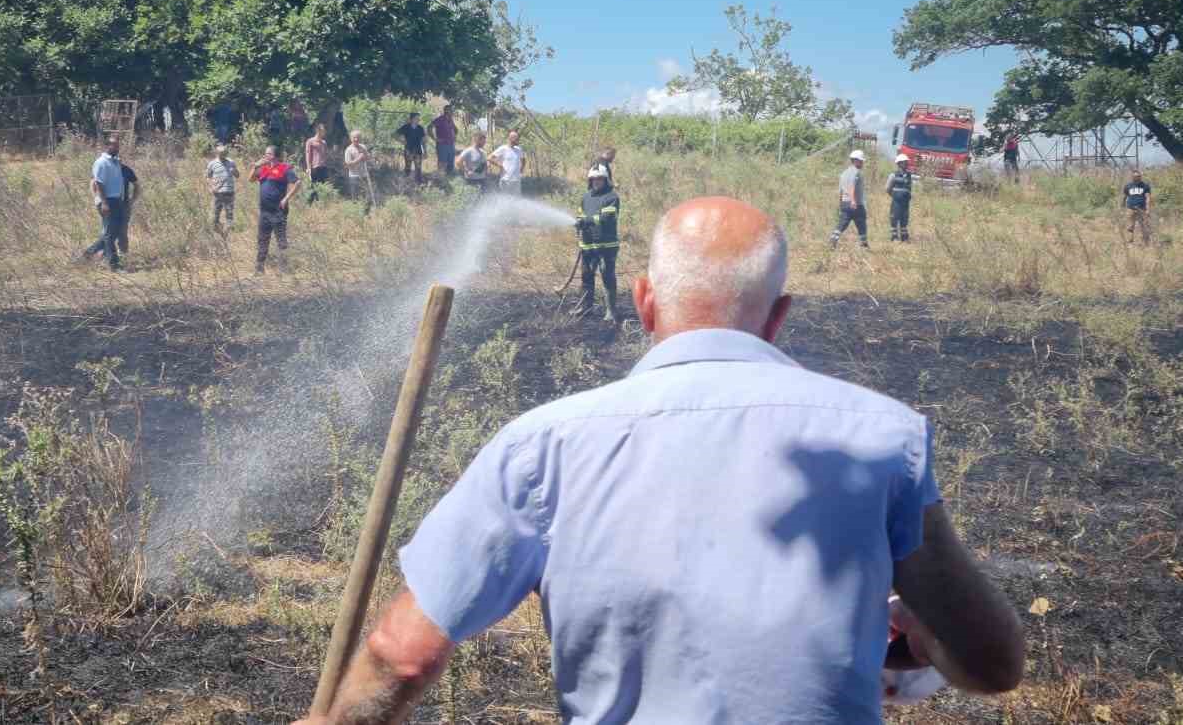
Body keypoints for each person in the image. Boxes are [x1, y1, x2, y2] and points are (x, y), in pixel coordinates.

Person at [293, 197, 1025, 725]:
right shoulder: (880, 437)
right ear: (779, 315)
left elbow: (403, 658)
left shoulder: (544, 445)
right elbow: (992, 665)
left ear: (644, 303)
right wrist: (915, 635)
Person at [575, 163, 621, 320]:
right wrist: (579, 222)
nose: (596, 182)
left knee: (607, 277)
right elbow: (581, 216)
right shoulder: (585, 197)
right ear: (589, 181)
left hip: (606, 245)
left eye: (599, 179)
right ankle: (586, 308)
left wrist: (587, 221)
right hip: (588, 245)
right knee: (586, 278)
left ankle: (611, 311)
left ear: (605, 180)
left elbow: (607, 218)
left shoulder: (611, 196)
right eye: (593, 179)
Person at [251, 145, 301, 274]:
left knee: (281, 239)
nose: (265, 156)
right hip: (264, 211)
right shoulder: (263, 169)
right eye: (265, 153)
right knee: (262, 239)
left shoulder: (284, 168)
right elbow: (250, 179)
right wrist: (255, 166)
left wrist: (286, 198)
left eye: (268, 154)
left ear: (275, 155)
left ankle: (284, 268)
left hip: (279, 210)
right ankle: (259, 269)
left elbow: (297, 182)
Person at [81, 136, 126, 271]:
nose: (117, 148)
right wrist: (104, 203)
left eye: (118, 146)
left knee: (114, 233)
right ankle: (114, 265)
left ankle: (87, 255)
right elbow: (98, 183)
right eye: (114, 146)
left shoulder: (116, 162)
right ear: (107, 146)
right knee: (109, 234)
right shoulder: (100, 162)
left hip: (117, 200)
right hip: (107, 201)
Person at [830, 148, 870, 248]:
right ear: (855, 160)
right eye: (861, 161)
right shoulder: (856, 173)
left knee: (842, 223)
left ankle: (833, 239)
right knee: (861, 223)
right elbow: (851, 186)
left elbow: (841, 191)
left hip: (844, 203)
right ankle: (864, 244)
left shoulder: (844, 173)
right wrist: (853, 201)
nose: (862, 163)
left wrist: (840, 204)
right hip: (855, 203)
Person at [884, 153, 914, 243]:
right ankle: (894, 237)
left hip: (905, 202)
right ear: (899, 163)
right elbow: (887, 188)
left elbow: (909, 188)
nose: (907, 164)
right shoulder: (893, 175)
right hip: (896, 202)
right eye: (905, 162)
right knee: (895, 218)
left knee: (904, 219)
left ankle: (904, 237)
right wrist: (894, 195)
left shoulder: (909, 175)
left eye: (907, 162)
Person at [207, 144, 237, 228]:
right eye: (221, 154)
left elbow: (237, 175)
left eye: (225, 154)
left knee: (229, 213)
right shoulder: (212, 164)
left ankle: (229, 231)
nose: (223, 156)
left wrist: (234, 171)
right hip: (218, 192)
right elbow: (208, 177)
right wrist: (211, 187)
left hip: (229, 192)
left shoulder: (231, 162)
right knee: (216, 213)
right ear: (217, 154)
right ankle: (216, 229)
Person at [488, 129, 526, 196]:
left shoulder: (519, 149)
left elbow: (523, 160)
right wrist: (499, 165)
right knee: (505, 198)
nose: (518, 140)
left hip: (516, 181)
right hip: (505, 180)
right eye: (517, 138)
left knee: (517, 200)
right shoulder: (503, 148)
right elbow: (489, 158)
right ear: (511, 139)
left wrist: (521, 169)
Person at [116, 156, 140, 257]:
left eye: (119, 160)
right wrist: (98, 199)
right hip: (109, 204)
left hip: (124, 204)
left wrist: (133, 199)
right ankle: (107, 253)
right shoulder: (106, 170)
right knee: (108, 229)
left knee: (123, 229)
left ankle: (123, 253)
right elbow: (95, 183)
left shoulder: (126, 170)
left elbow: (137, 185)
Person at [395, 112, 427, 184]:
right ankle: (407, 183)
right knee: (408, 167)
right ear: (411, 119)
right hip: (408, 150)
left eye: (419, 118)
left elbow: (424, 141)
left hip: (418, 151)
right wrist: (402, 141)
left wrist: (425, 151)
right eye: (416, 118)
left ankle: (419, 184)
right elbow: (395, 134)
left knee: (418, 168)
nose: (418, 120)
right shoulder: (406, 127)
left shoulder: (420, 128)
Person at [1123, 169, 1152, 245]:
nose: (1137, 177)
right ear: (1132, 177)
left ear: (1141, 177)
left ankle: (1145, 243)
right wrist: (1123, 206)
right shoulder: (1128, 186)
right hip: (1130, 208)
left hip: (1142, 208)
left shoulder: (1145, 186)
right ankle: (1130, 242)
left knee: (1144, 226)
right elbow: (1125, 196)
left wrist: (1148, 209)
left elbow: (1148, 197)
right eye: (1135, 176)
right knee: (1130, 226)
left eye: (1138, 176)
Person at [343, 130, 372, 206]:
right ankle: (356, 214)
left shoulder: (363, 147)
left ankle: (366, 214)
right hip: (354, 176)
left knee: (366, 196)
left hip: (364, 175)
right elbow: (348, 164)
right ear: (351, 138)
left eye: (358, 137)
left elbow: (368, 158)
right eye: (354, 137)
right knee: (355, 197)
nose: (356, 139)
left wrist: (365, 156)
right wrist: (359, 158)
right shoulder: (348, 150)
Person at [305, 123, 331, 204]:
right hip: (314, 167)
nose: (324, 132)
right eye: (322, 131)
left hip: (323, 167)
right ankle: (309, 204)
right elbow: (308, 155)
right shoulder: (310, 141)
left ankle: (319, 203)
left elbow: (326, 154)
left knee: (321, 186)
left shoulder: (324, 142)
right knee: (313, 186)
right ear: (318, 131)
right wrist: (309, 168)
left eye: (324, 131)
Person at [429, 105, 458, 176]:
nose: (452, 112)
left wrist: (454, 136)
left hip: (451, 145)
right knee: (442, 164)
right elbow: (429, 127)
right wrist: (435, 138)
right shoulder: (440, 119)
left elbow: (455, 129)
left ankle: (450, 179)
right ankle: (441, 180)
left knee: (450, 164)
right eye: (451, 110)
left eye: (452, 110)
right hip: (442, 145)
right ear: (446, 111)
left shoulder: (450, 120)